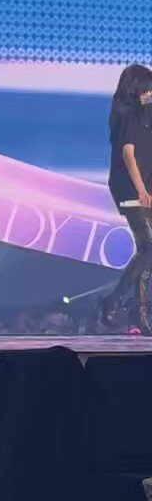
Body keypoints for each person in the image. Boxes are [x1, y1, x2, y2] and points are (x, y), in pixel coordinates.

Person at [101, 63, 152, 334]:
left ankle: (140, 317)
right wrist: (141, 190)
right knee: (149, 248)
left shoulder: (144, 112)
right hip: (132, 188)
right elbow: (128, 154)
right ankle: (114, 300)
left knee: (147, 253)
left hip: (146, 188)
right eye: (148, 88)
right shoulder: (127, 111)